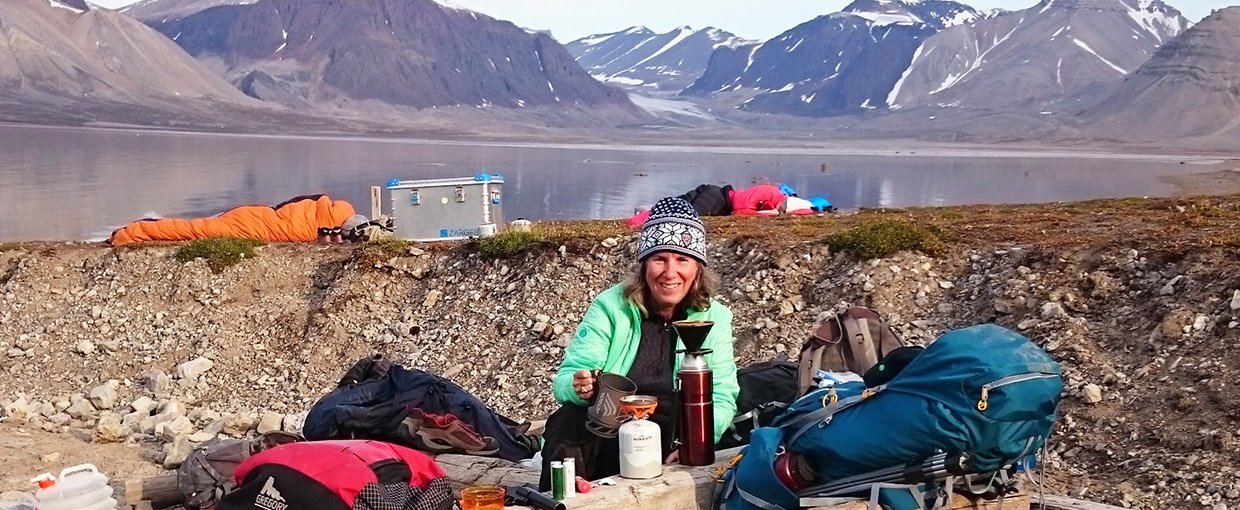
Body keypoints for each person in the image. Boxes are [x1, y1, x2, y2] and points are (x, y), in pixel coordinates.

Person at [540, 197, 739, 490]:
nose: (670, 273)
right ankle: (567, 496)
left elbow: (721, 396)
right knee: (568, 419)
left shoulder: (714, 318)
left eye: (682, 259)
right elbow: (565, 381)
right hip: (608, 432)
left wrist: (695, 444)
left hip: (672, 438)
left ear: (698, 267)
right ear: (645, 264)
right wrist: (580, 386)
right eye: (660, 259)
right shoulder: (612, 307)